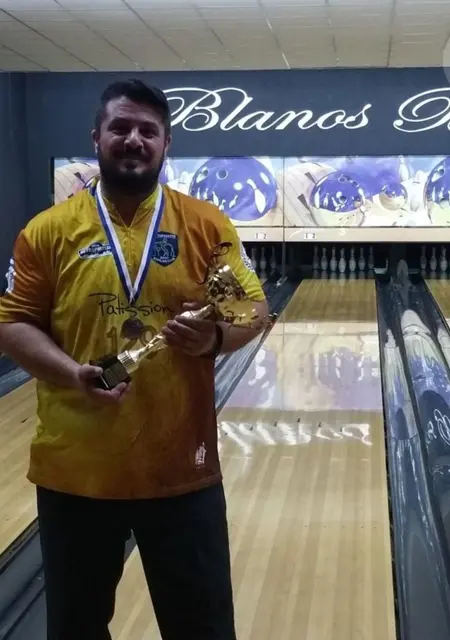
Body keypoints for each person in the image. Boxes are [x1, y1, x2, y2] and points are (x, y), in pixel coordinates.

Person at [0, 79, 268, 640]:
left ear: (166, 144)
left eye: (148, 130)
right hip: (76, 472)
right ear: (96, 137)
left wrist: (215, 338)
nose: (133, 139)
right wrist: (70, 373)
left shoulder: (203, 226)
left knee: (202, 629)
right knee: (75, 628)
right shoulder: (49, 231)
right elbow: (13, 322)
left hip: (182, 469)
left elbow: (250, 309)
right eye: (120, 127)